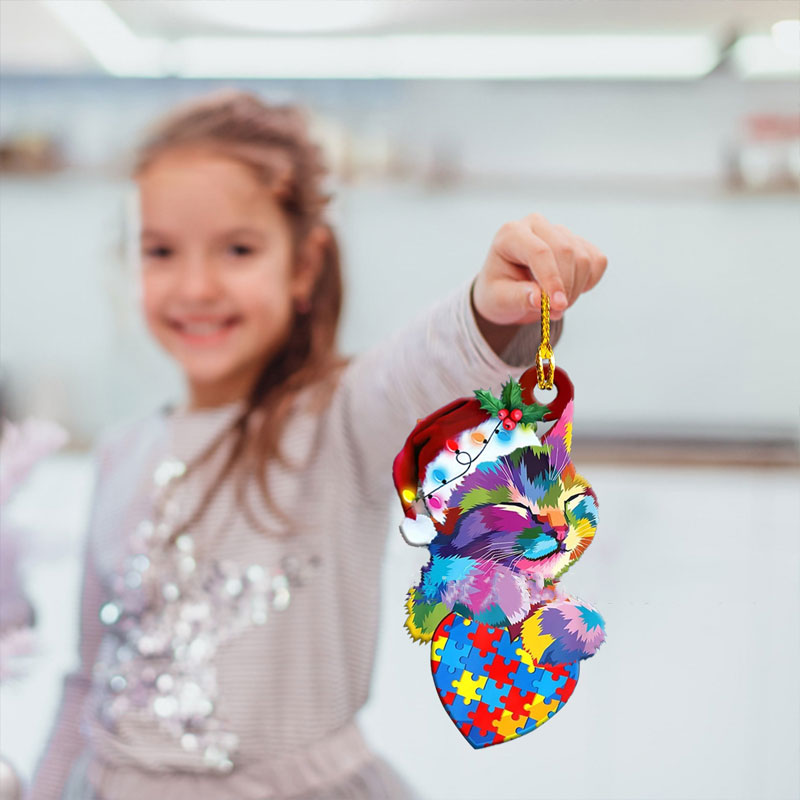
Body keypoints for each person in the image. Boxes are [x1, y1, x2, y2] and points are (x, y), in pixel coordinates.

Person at [28, 89, 607, 800]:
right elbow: (88, 681)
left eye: (238, 249)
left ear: (304, 266)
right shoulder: (119, 453)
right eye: (160, 251)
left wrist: (489, 313)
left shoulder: (338, 421)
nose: (196, 284)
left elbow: (424, 371)